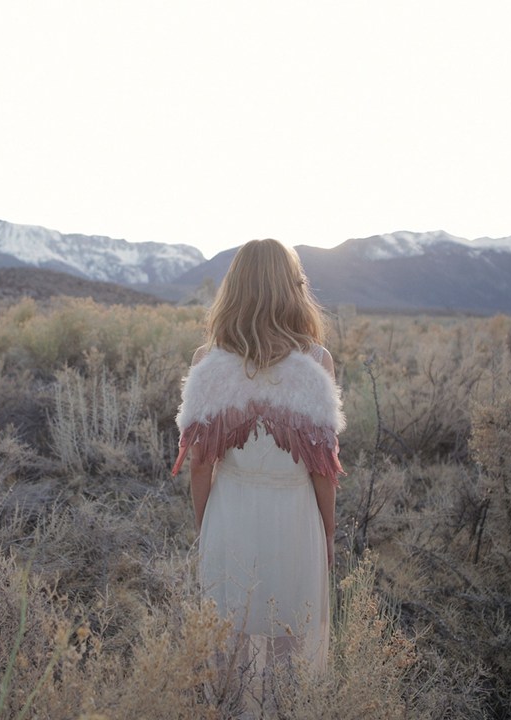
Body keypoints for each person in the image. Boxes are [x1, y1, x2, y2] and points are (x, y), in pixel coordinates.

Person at [171, 238, 345, 688]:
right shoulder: (316, 361)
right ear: (293, 288)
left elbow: (198, 464)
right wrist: (327, 532)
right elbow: (323, 467)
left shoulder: (207, 362)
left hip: (230, 510)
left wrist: (203, 525)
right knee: (291, 636)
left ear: (234, 289)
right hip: (295, 516)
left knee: (229, 635)